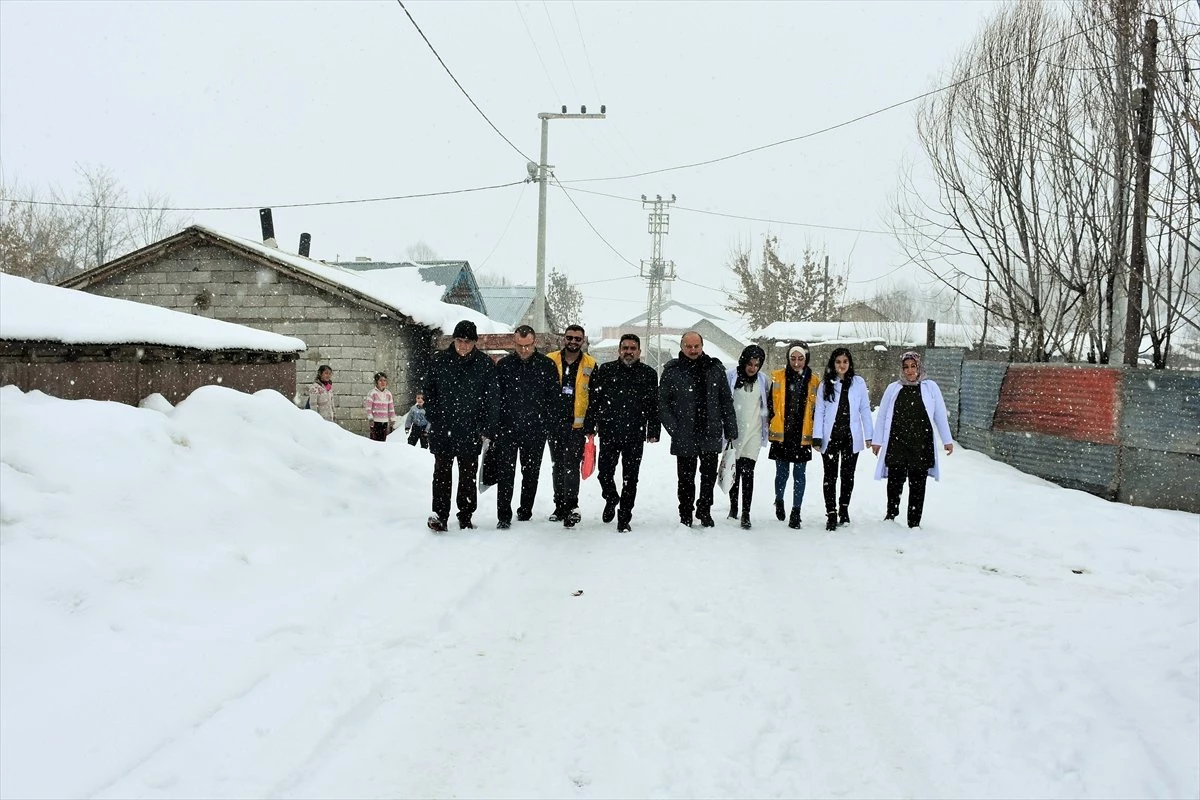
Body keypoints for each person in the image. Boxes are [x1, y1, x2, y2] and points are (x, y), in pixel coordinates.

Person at [422, 320, 499, 532]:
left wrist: (486, 427)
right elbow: (429, 391)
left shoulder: (484, 364)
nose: (463, 345)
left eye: (467, 341)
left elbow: (491, 398)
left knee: (468, 474)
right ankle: (439, 514)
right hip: (443, 428)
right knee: (442, 473)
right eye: (459, 340)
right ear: (454, 340)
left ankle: (465, 514)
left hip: (470, 429)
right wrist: (435, 416)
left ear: (474, 342)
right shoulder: (439, 361)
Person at [659, 331, 738, 528]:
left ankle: (705, 509)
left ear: (702, 346)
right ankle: (685, 512)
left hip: (710, 430)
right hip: (684, 433)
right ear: (681, 347)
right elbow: (662, 403)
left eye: (696, 346)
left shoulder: (715, 368)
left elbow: (725, 400)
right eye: (688, 346)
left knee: (708, 475)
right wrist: (674, 429)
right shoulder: (672, 370)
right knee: (685, 478)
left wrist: (730, 427)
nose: (693, 350)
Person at [583, 333, 660, 533]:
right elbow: (595, 400)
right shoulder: (606, 370)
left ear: (639, 352)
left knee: (630, 478)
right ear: (619, 350)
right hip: (609, 432)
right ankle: (611, 498)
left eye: (632, 348)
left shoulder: (649, 374)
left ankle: (624, 516)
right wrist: (590, 426)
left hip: (635, 433)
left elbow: (653, 405)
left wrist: (653, 429)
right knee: (604, 474)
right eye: (625, 348)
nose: (628, 352)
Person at [871, 350, 955, 528]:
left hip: (921, 444)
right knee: (895, 482)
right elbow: (883, 415)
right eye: (906, 367)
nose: (910, 371)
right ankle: (891, 515)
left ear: (919, 367)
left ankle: (914, 522)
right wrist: (877, 440)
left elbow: (940, 414)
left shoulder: (930, 387)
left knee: (918, 484)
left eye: (913, 366)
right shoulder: (893, 388)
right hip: (897, 443)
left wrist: (947, 440)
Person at [492, 325, 559, 529]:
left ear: (534, 342)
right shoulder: (503, 366)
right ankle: (503, 515)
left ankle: (525, 510)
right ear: (514, 343)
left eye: (527, 345)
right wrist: (496, 425)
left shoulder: (546, 366)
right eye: (520, 346)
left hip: (535, 429)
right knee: (506, 473)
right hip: (507, 429)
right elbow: (495, 398)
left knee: (531, 472)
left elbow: (553, 398)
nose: (523, 350)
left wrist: (546, 423)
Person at [811, 348, 874, 531]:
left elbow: (864, 409)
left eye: (845, 361)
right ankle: (831, 512)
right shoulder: (826, 384)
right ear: (833, 364)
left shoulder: (858, 383)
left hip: (850, 437)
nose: (842, 365)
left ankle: (844, 508)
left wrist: (869, 435)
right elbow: (820, 411)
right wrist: (817, 437)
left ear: (850, 363)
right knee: (830, 477)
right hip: (830, 437)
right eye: (838, 362)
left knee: (848, 476)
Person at [546, 325, 597, 529]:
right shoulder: (550, 360)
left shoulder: (591, 364)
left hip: (577, 424)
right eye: (570, 337)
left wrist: (591, 424)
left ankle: (571, 507)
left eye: (578, 338)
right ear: (563, 339)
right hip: (554, 423)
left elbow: (595, 397)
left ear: (583, 341)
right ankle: (559, 505)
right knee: (558, 465)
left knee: (572, 466)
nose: (573, 341)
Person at [768, 342, 820, 529]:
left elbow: (818, 410)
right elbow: (769, 405)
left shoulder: (814, 380)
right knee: (781, 473)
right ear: (788, 359)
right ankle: (779, 499)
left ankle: (796, 511)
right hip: (783, 434)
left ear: (806, 359)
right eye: (793, 359)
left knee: (800, 474)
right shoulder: (778, 378)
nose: (796, 363)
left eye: (800, 359)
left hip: (802, 434)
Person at [724, 344, 771, 530]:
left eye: (757, 365)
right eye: (750, 364)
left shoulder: (763, 381)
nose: (752, 368)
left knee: (748, 472)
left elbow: (767, 404)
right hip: (734, 432)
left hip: (754, 431)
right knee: (733, 472)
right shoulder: (731, 377)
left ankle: (746, 513)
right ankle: (734, 506)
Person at [363, 371, 397, 442]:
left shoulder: (388, 394)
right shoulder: (372, 393)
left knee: (383, 441)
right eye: (380, 380)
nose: (383, 382)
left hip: (384, 422)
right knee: (374, 441)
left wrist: (392, 418)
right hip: (375, 422)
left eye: (384, 380)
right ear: (376, 382)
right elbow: (368, 407)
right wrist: (370, 418)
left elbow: (391, 408)